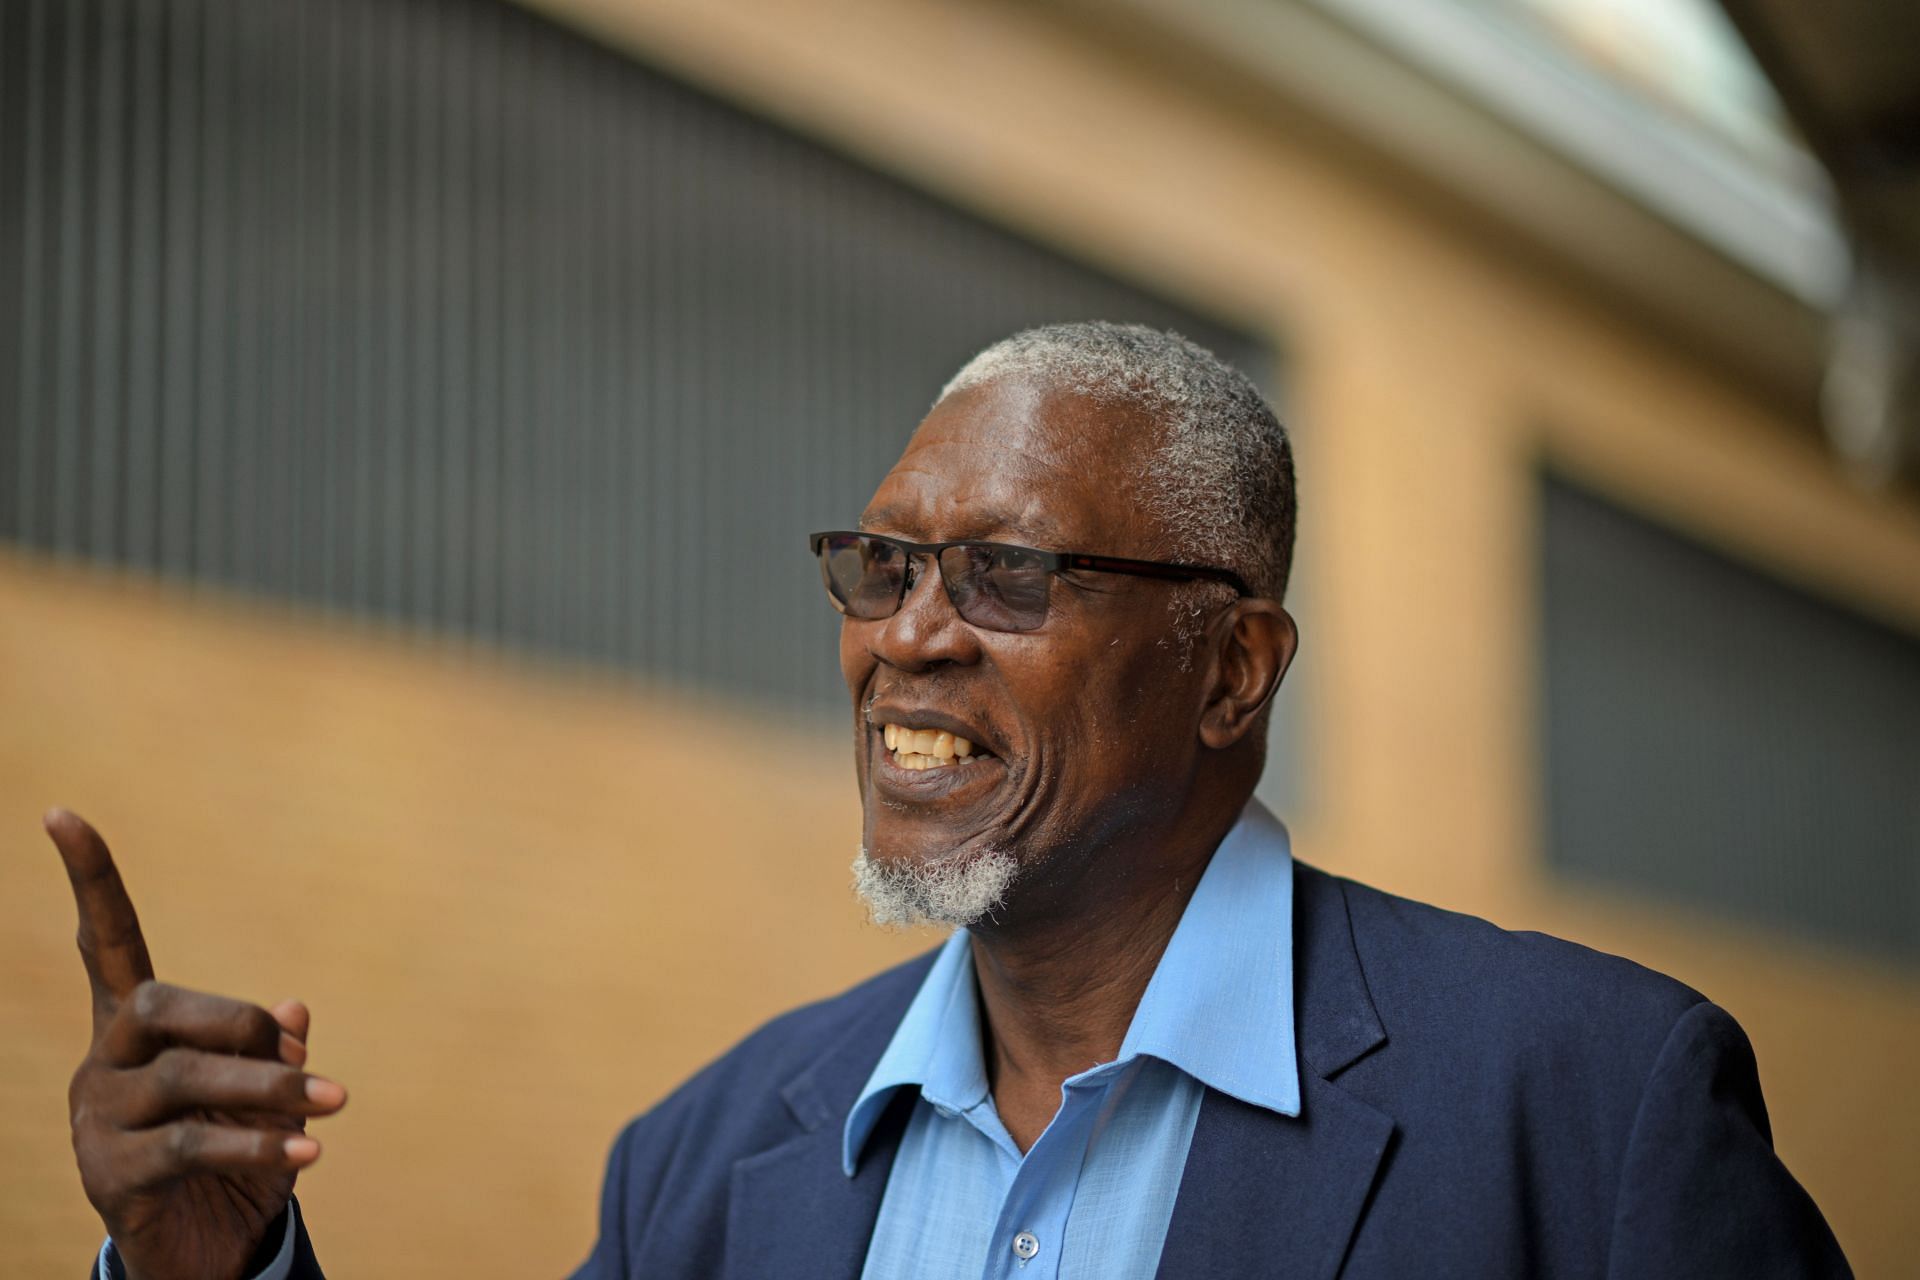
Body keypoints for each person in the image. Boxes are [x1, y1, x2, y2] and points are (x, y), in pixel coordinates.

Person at [52, 323, 1849, 1279]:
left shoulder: (1592, 1114)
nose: (905, 640)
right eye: (885, 565)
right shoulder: (705, 1162)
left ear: (1232, 668)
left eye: (1000, 575)